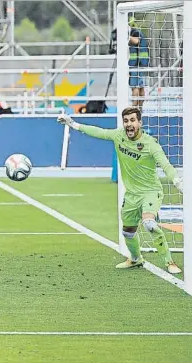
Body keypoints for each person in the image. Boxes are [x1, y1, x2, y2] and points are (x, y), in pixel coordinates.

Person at [57, 108, 182, 274]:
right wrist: (73, 124)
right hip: (131, 195)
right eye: (126, 121)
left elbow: (165, 164)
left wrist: (176, 180)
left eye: (132, 120)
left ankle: (170, 262)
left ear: (139, 123)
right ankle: (136, 259)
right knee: (128, 232)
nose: (129, 124)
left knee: (150, 224)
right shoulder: (118, 136)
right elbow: (99, 132)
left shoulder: (150, 144)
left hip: (151, 192)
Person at [128, 17, 149, 108]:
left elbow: (136, 41)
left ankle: (134, 107)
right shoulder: (140, 32)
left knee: (135, 87)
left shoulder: (135, 32)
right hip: (142, 63)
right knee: (141, 87)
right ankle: (140, 108)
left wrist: (125, 36)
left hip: (136, 63)